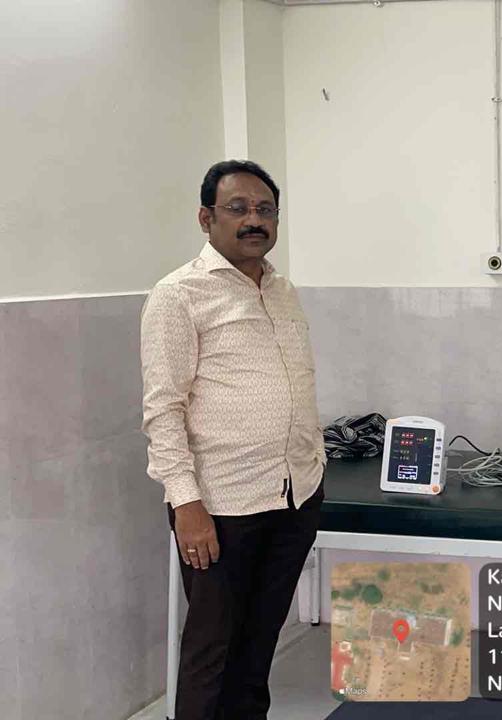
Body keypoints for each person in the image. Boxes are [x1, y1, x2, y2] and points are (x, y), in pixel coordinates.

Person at [141, 160, 326, 719]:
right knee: (212, 653)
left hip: (294, 496)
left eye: (266, 209)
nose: (255, 220)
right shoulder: (179, 295)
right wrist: (186, 504)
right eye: (238, 208)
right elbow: (163, 409)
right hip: (221, 505)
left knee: (258, 645)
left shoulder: (283, 289)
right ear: (206, 218)